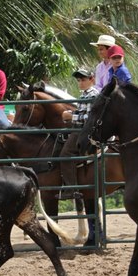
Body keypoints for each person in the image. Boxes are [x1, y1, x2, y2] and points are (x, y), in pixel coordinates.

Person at [56, 68, 100, 201]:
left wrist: (70, 116)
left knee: (65, 154)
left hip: (85, 130)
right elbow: (82, 113)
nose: (80, 83)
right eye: (79, 80)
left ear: (92, 79)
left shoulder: (93, 94)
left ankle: (71, 189)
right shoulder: (84, 95)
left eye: (83, 79)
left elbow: (89, 117)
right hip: (81, 127)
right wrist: (72, 115)